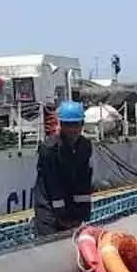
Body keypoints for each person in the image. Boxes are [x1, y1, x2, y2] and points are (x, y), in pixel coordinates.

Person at [32, 100, 94, 236]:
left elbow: (83, 183)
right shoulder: (49, 149)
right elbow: (53, 184)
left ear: (82, 125)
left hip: (70, 210)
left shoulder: (84, 146)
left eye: (76, 124)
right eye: (68, 125)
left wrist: (81, 215)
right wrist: (62, 216)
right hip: (49, 210)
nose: (72, 130)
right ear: (61, 125)